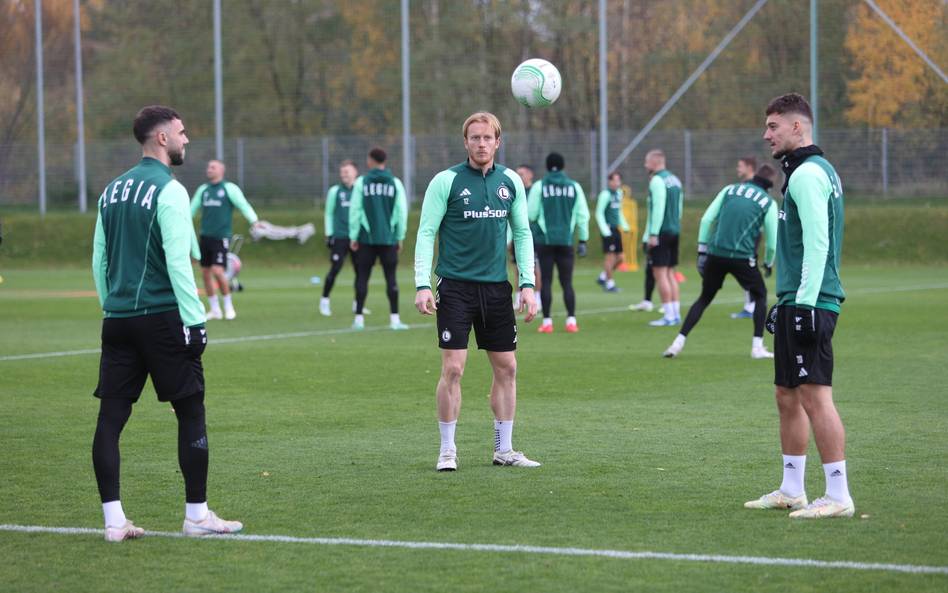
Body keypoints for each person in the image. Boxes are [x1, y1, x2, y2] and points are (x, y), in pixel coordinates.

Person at [91, 106, 242, 542]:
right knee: (191, 410)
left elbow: (99, 260)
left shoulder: (110, 191)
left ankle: (114, 522)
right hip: (160, 319)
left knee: (110, 419)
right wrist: (195, 321)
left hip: (117, 320)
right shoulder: (170, 190)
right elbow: (179, 261)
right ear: (161, 139)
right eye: (181, 132)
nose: (186, 139)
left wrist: (111, 307)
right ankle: (196, 515)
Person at [744, 93, 853, 518]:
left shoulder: (808, 173)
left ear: (796, 127)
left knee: (814, 396)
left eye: (773, 126)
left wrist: (804, 303)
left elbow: (818, 244)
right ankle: (792, 489)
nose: (766, 133)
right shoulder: (805, 171)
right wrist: (786, 301)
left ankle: (839, 495)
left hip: (813, 300)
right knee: (786, 394)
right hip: (797, 299)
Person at [414, 111, 540, 472]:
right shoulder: (446, 181)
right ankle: (448, 450)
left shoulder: (511, 181)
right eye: (475, 138)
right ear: (465, 142)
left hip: (496, 290)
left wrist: (527, 284)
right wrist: (423, 284)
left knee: (507, 368)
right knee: (454, 368)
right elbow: (426, 234)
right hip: (454, 287)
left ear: (498, 142)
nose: (481, 144)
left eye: (488, 138)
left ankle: (504, 449)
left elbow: (522, 234)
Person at [662, 163, 779, 359]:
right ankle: (757, 347)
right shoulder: (768, 202)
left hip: (715, 254)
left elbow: (707, 220)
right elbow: (772, 243)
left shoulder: (730, 189)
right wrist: (768, 262)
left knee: (705, 298)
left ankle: (677, 343)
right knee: (760, 295)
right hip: (741, 256)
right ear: (771, 183)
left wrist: (702, 252)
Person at [190, 159, 261, 320]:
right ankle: (215, 309)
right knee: (205, 273)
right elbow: (191, 210)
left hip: (220, 237)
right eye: (208, 166)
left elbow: (243, 205)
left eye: (213, 167)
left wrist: (254, 220)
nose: (209, 169)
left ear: (222, 171)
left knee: (218, 271)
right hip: (205, 237)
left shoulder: (229, 189)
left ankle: (228, 306)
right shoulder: (204, 190)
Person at [528, 152, 590, 333]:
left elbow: (531, 214)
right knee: (567, 281)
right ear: (563, 166)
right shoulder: (574, 187)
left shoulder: (539, 186)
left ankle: (547, 322)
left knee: (546, 281)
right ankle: (571, 321)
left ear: (547, 167)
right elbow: (583, 215)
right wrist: (583, 239)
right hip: (566, 241)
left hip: (544, 241)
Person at [348, 147, 409, 330]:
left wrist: (353, 235)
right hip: (388, 239)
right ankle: (395, 319)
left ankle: (358, 319)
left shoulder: (362, 182)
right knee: (391, 279)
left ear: (371, 160)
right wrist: (399, 235)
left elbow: (355, 211)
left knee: (362, 278)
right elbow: (401, 212)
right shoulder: (395, 183)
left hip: (366, 238)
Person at [641, 150, 683, 326]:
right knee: (670, 273)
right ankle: (675, 313)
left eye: (646, 162)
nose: (645, 165)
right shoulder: (675, 179)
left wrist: (653, 234)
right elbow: (679, 207)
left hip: (662, 232)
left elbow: (658, 208)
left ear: (654, 162)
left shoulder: (657, 180)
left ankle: (668, 315)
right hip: (674, 230)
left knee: (659, 273)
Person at [320, 160, 366, 317]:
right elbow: (329, 213)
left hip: (357, 238)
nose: (343, 174)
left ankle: (358, 304)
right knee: (336, 268)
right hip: (340, 237)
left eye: (346, 171)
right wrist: (329, 233)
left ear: (355, 173)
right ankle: (324, 301)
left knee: (360, 271)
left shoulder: (361, 191)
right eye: (341, 171)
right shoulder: (335, 191)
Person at [730, 156, 762, 320]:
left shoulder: (754, 186)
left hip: (750, 234)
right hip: (745, 233)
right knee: (745, 268)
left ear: (750, 168)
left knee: (746, 268)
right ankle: (751, 305)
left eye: (740, 166)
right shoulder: (746, 186)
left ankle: (752, 306)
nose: (737, 169)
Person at [511, 164, 542, 309]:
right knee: (517, 268)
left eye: (522, 174)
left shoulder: (536, 191)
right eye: (517, 174)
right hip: (516, 235)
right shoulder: (515, 190)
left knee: (533, 268)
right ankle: (518, 299)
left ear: (530, 175)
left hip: (533, 235)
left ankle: (538, 299)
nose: (519, 176)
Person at [594, 171, 631, 293]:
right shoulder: (605, 194)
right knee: (609, 258)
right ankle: (610, 284)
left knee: (621, 257)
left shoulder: (619, 194)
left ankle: (602, 277)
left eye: (618, 180)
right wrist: (604, 229)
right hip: (608, 229)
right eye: (613, 180)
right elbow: (599, 212)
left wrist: (625, 225)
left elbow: (618, 212)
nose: (615, 183)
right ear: (609, 181)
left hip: (616, 229)